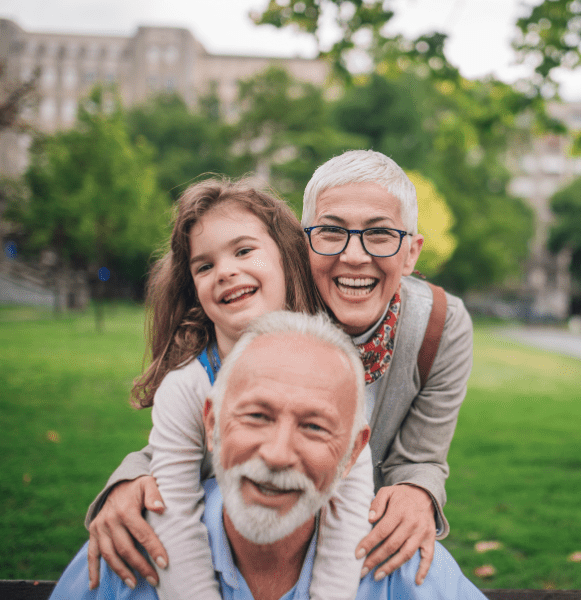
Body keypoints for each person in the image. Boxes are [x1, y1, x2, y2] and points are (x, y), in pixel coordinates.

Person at [87, 150, 474, 587]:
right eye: (331, 232)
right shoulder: (274, 319)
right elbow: (197, 432)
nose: (353, 256)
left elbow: (421, 456)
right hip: (247, 538)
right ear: (304, 244)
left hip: (359, 548)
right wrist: (129, 479)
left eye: (380, 234)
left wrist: (418, 492)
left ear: (410, 252)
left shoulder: (440, 327)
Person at [51, 312, 487, 600]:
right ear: (211, 423)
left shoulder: (402, 563)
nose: (278, 455)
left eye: (314, 427)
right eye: (257, 416)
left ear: (353, 452)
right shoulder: (127, 547)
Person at [87, 178, 375, 600]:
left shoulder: (331, 373)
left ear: (286, 258)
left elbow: (348, 510)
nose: (225, 271)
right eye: (205, 266)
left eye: (243, 251)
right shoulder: (187, 387)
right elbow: (173, 514)